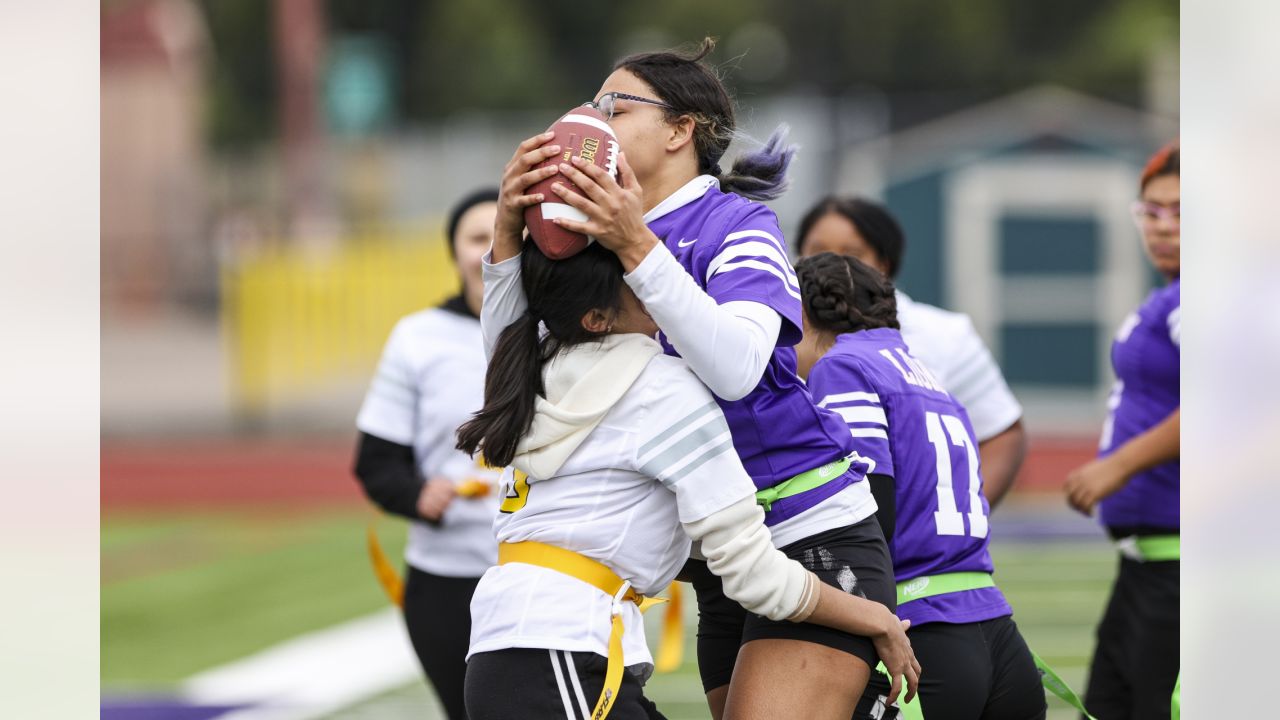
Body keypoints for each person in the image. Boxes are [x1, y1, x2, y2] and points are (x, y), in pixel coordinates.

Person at [485, 37, 909, 720]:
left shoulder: (736, 224)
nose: (593, 122)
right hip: (719, 556)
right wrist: (508, 234)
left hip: (802, 527)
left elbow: (739, 370)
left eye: (615, 107)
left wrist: (635, 245)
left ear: (682, 130)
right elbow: (514, 365)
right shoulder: (593, 233)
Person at [457, 240, 917, 720]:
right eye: (634, 272)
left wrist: (511, 224)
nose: (657, 274)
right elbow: (754, 574)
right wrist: (875, 617)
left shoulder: (532, 367)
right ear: (597, 318)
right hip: (565, 648)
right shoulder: (661, 387)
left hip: (517, 646)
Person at [795, 252, 1046, 720]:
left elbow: (869, 508)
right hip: (995, 630)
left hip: (922, 632)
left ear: (804, 315)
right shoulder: (930, 378)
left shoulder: (842, 366)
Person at [351, 188, 502, 720]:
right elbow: (376, 464)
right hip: (445, 582)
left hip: (545, 573)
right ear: (453, 250)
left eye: (503, 234)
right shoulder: (417, 339)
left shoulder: (559, 328)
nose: (489, 250)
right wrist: (418, 495)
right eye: (475, 238)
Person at [795, 197, 1027, 507]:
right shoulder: (775, 327)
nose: (834, 266)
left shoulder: (943, 335)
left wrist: (966, 513)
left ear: (884, 263)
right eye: (819, 252)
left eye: (853, 254)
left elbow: (1002, 431)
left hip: (896, 534)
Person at [1064, 141, 1180, 720]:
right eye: (1151, 211)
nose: (1163, 227)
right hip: (1146, 564)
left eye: (1182, 211)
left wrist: (1118, 464)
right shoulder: (1172, 296)